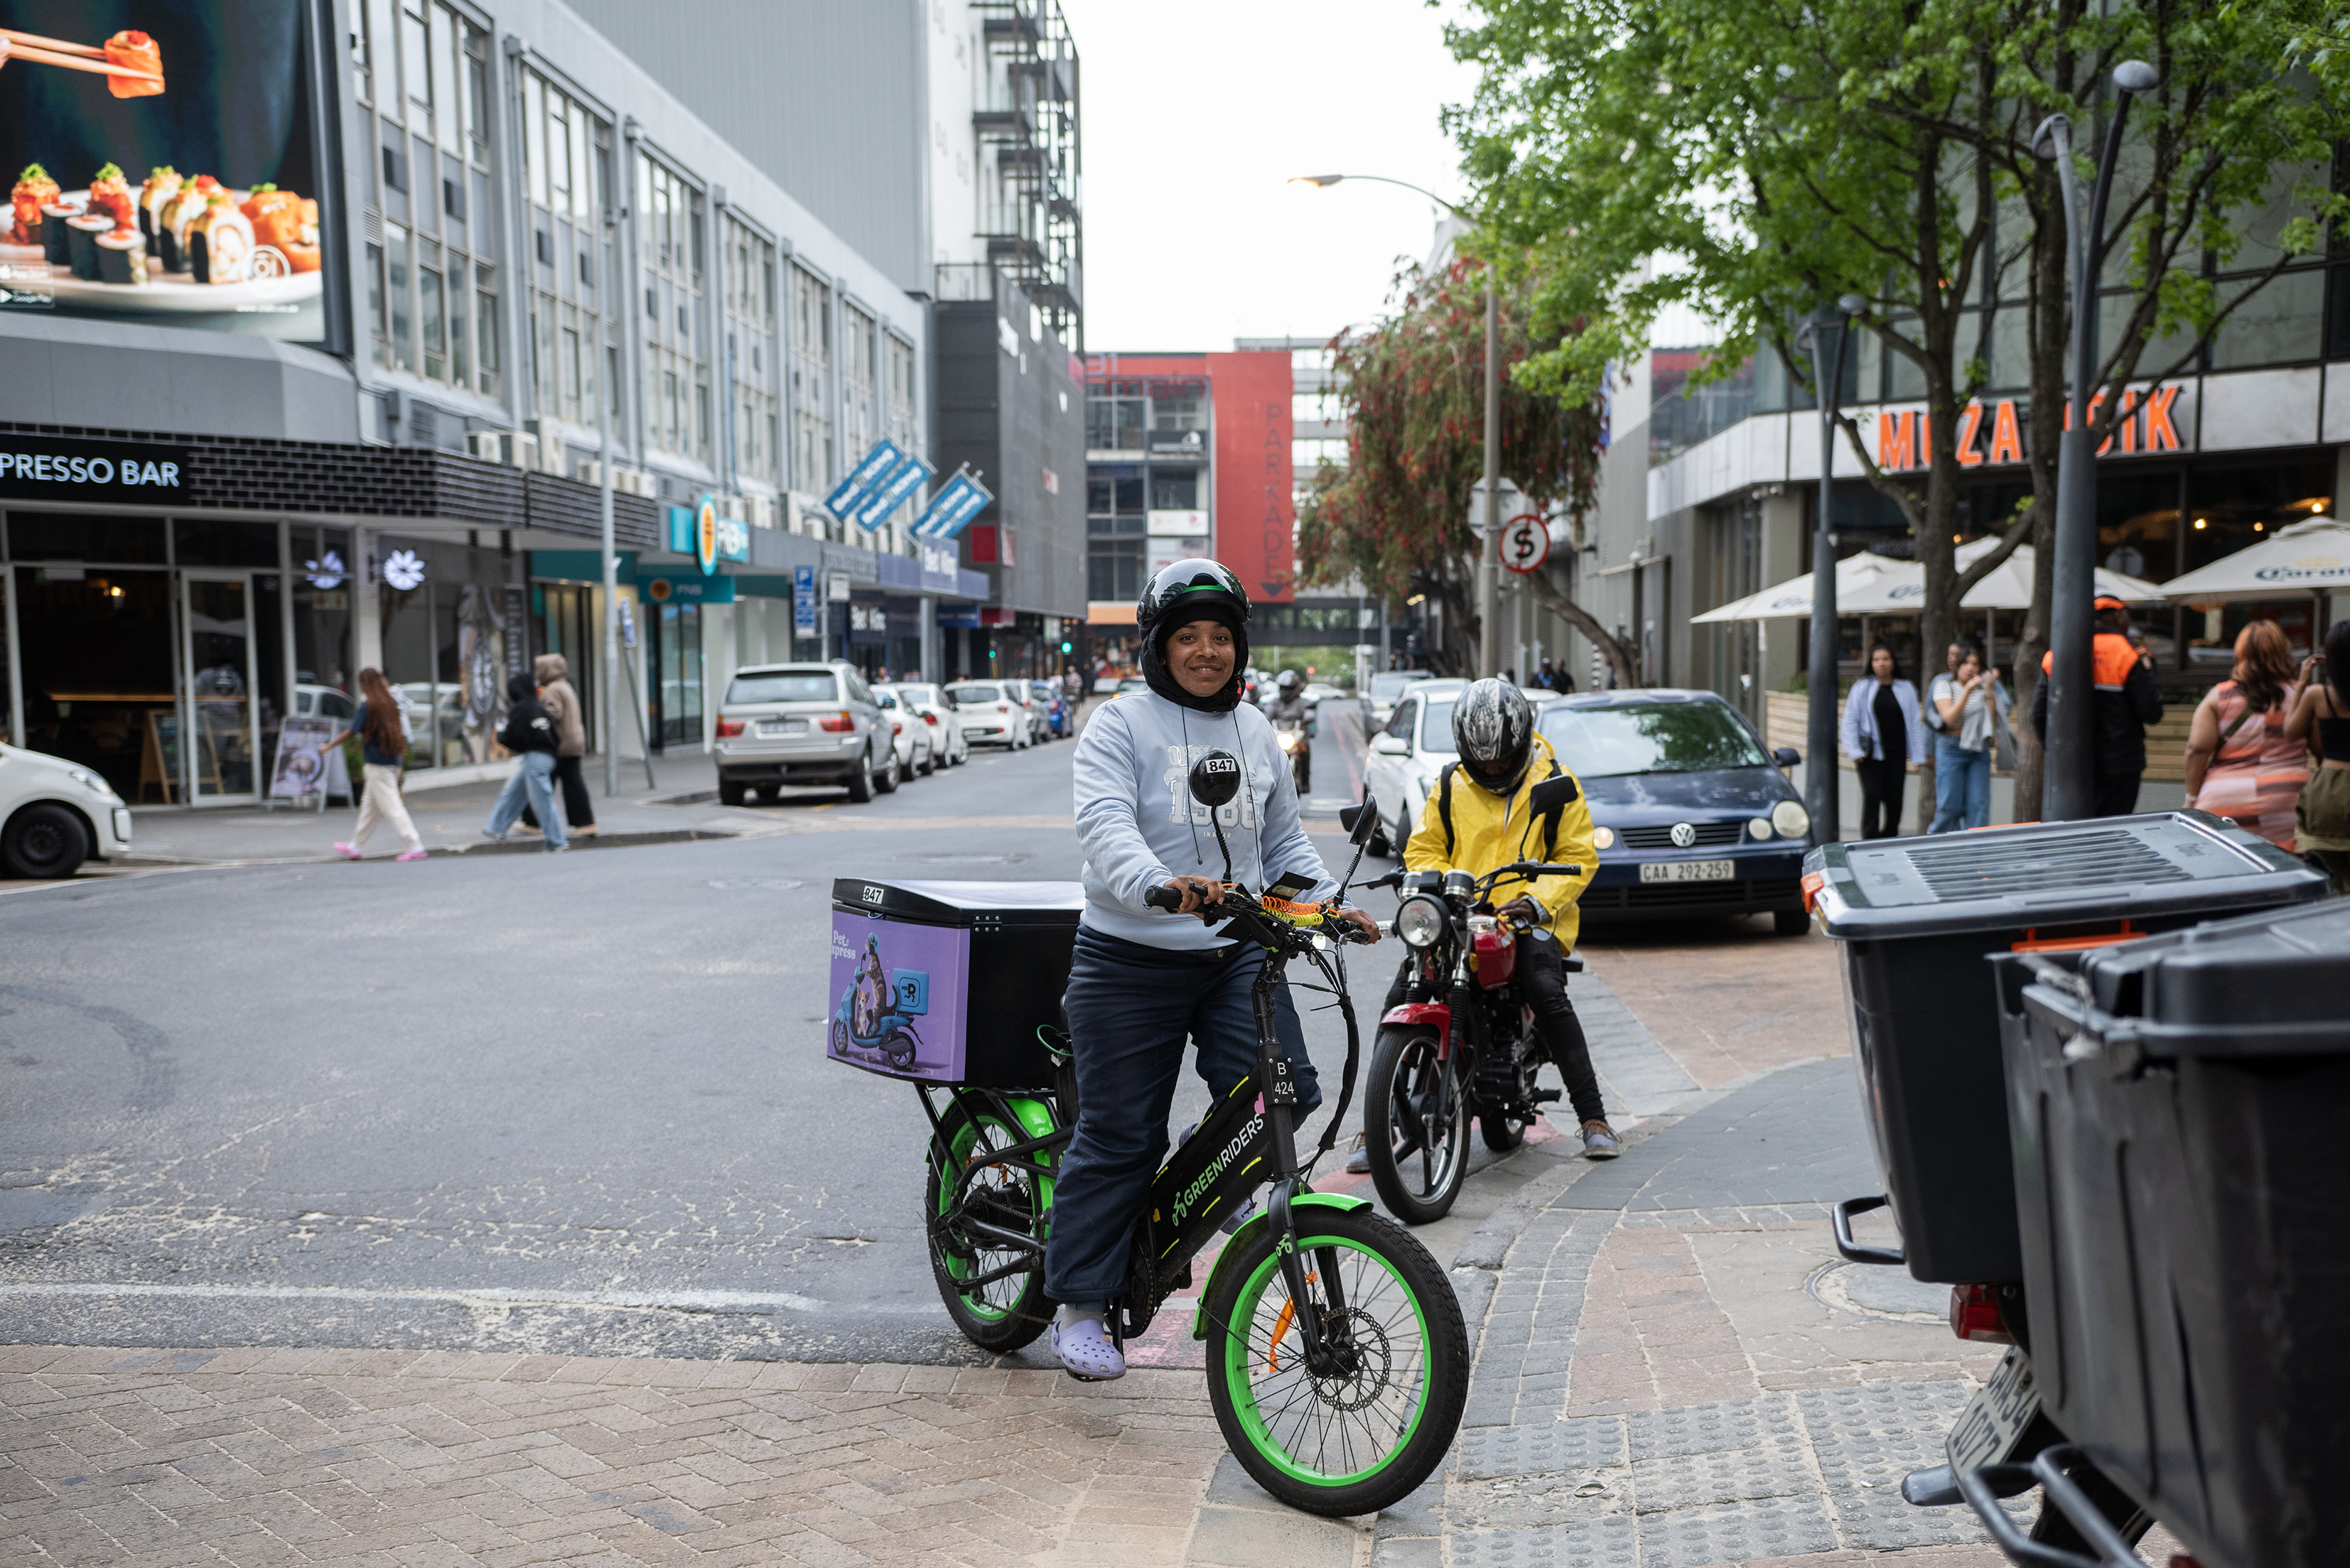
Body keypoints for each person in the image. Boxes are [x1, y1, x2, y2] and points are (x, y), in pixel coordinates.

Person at [1046, 558, 1379, 1382]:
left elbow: (1283, 847)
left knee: (1285, 1092)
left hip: (1234, 951)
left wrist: (1330, 903)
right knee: (1122, 1133)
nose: (1206, 651)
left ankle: (1193, 1193)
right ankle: (1081, 1303)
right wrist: (1158, 883)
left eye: (1219, 636)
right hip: (1129, 955)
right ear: (1159, 647)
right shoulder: (1119, 724)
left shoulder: (1256, 729)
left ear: (1239, 645)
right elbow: (1105, 825)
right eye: (1187, 637)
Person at [1352, 678, 1615, 1169]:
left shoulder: (1556, 782)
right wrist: (1428, 883)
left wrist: (1534, 902)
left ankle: (1593, 1117)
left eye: (1501, 758)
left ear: (1520, 743)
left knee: (1545, 989)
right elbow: (1424, 845)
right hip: (1458, 918)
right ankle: (1375, 1123)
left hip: (1528, 918)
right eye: (1482, 759)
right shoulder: (1451, 784)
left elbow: (1577, 856)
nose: (1492, 767)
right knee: (1402, 993)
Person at [2032, 596, 2165, 817]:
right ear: (2117, 616)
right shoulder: (2131, 654)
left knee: (2073, 832)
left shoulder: (2057, 654)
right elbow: (2151, 712)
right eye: (2127, 614)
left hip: (2070, 766)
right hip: (2120, 766)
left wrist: (2055, 753)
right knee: (2111, 831)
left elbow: (2038, 714)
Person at [2183, 620, 2306, 850]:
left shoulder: (2219, 696)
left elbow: (2197, 749)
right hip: (2288, 798)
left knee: (2226, 871)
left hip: (2224, 799)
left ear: (2240, 653)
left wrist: (2191, 798)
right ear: (2283, 651)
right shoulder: (2302, 695)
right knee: (2287, 870)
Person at [328, 667, 427, 863]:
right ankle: (355, 846)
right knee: (369, 809)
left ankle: (415, 845)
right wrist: (399, 766)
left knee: (393, 807)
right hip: (390, 762)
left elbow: (351, 731)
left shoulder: (368, 707)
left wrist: (328, 746)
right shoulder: (390, 703)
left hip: (376, 765)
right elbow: (399, 735)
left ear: (365, 685)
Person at [2285, 619, 2350, 893]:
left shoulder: (2318, 695)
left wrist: (2301, 683)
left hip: (2328, 791)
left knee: (2331, 874)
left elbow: (2290, 732)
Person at [1842, 643, 1925, 838]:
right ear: (1871, 664)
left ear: (1893, 662)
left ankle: (1890, 837)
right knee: (1872, 796)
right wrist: (1854, 750)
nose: (1881, 664)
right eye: (1876, 660)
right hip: (1870, 754)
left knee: (1895, 800)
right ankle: (1869, 839)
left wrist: (1918, 756)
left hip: (1896, 753)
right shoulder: (1862, 687)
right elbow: (1850, 719)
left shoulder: (1906, 688)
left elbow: (1914, 722)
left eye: (1886, 659)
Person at [483, 673, 566, 851]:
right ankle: (496, 828)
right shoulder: (539, 707)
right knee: (515, 791)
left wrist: (500, 736)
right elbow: (555, 736)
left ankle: (557, 841)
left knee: (541, 800)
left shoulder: (521, 708)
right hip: (548, 756)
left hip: (534, 757)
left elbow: (515, 736)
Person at [1928, 645, 2006, 833]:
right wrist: (1968, 691)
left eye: (1975, 664)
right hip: (1950, 748)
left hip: (1978, 749)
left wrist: (1988, 690)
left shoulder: (1985, 688)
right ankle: (1936, 846)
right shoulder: (1943, 685)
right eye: (1965, 663)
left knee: (1978, 806)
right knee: (1949, 806)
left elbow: (1992, 721)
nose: (1970, 668)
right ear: (1957, 665)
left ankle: (1976, 854)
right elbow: (1950, 718)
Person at [519, 653, 595, 840]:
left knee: (542, 782)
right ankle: (584, 823)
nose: (536, 673)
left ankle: (534, 822)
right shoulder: (564, 686)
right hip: (572, 742)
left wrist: (537, 712)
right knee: (568, 782)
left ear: (548, 670)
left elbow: (553, 712)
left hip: (561, 745)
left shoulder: (553, 689)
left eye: (539, 669)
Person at [1266, 669, 1313, 792]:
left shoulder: (1302, 702)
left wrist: (1308, 717)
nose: (1285, 691)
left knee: (1305, 750)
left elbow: (1309, 711)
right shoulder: (1275, 703)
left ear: (1296, 688)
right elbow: (1267, 714)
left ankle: (1305, 780)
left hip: (1297, 736)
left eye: (1289, 688)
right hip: (1278, 735)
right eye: (1283, 688)